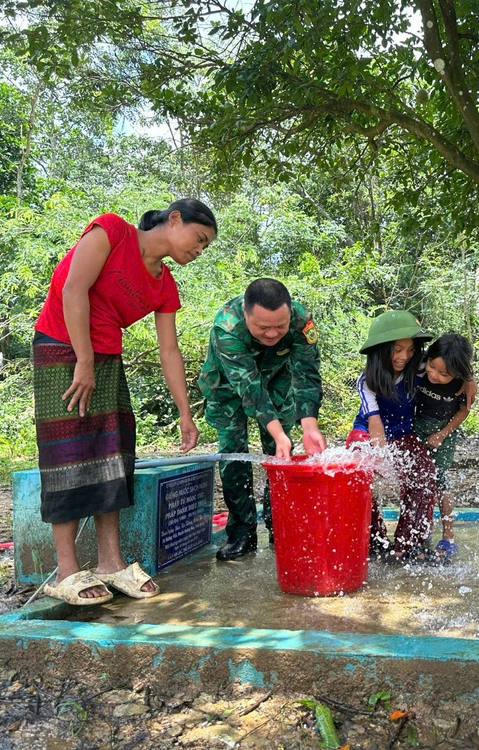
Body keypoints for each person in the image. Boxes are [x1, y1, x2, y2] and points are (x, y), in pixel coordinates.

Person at [33, 198, 217, 605]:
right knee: (68, 453)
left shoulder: (164, 283)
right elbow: (72, 288)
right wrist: (83, 359)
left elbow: (169, 350)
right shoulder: (112, 231)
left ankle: (109, 563)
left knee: (113, 454)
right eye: (199, 239)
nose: (199, 250)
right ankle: (66, 571)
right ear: (173, 220)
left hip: (105, 358)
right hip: (62, 346)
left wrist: (186, 413)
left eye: (206, 247)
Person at [198, 278, 326, 561]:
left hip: (277, 379)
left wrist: (309, 425)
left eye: (280, 326)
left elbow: (306, 373)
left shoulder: (301, 320)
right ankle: (242, 530)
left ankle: (279, 523)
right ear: (246, 313)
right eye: (263, 327)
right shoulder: (228, 327)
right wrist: (278, 431)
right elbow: (249, 387)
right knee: (234, 454)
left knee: (280, 454)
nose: (272, 333)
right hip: (229, 387)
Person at [345, 310, 442, 563]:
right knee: (357, 477)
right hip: (368, 433)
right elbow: (374, 425)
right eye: (397, 350)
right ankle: (373, 541)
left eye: (410, 350)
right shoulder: (367, 380)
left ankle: (408, 545)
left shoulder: (419, 367)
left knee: (424, 472)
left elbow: (447, 363)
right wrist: (383, 462)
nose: (403, 357)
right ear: (381, 350)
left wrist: (468, 380)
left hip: (403, 433)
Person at [413, 333, 475, 559]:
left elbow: (463, 410)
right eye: (432, 366)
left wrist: (441, 434)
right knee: (418, 479)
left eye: (443, 374)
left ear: (458, 374)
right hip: (418, 426)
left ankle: (448, 537)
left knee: (440, 480)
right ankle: (422, 531)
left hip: (444, 431)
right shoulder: (418, 365)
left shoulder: (462, 384)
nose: (434, 375)